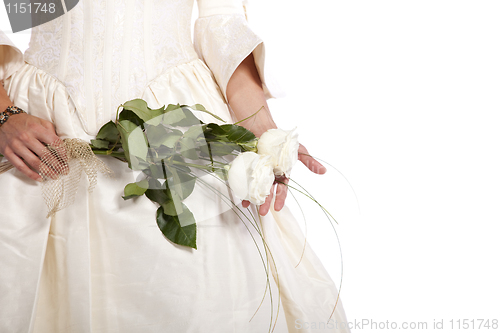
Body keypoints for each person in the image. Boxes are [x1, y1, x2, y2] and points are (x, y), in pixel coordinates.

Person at [0, 0, 350, 332]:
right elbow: (27, 11)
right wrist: (3, 114)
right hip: (38, 129)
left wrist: (261, 125)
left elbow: (221, 22)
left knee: (192, 297)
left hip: (176, 121)